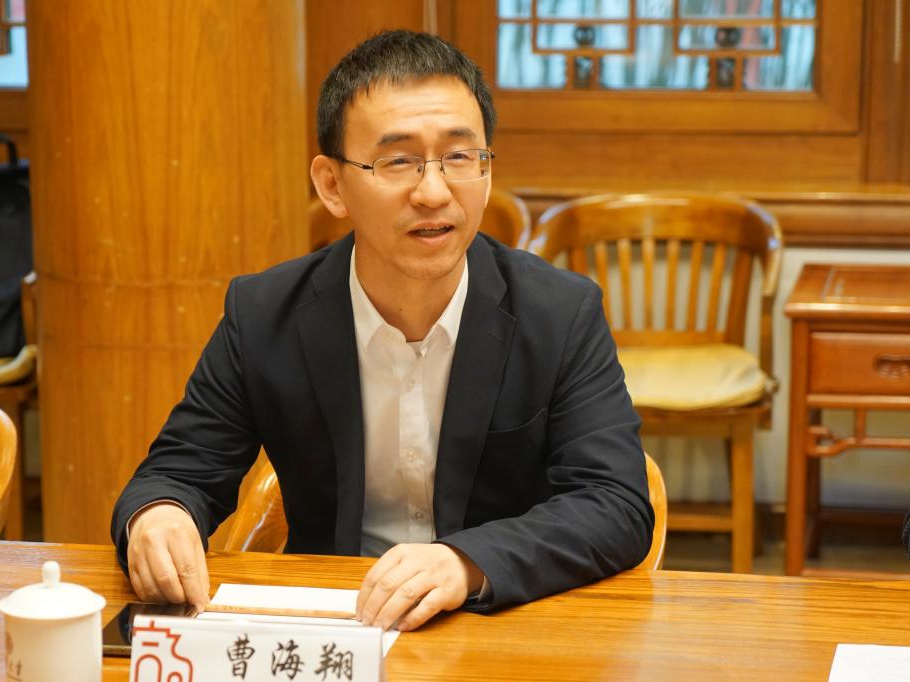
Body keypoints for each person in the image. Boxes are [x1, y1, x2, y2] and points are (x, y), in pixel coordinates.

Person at [111, 29, 652, 632]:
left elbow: (615, 504)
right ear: (332, 185)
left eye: (460, 157)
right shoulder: (264, 314)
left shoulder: (560, 312)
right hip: (334, 624)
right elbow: (179, 471)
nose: (433, 191)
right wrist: (159, 515)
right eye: (398, 161)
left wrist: (466, 561)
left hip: (495, 620)